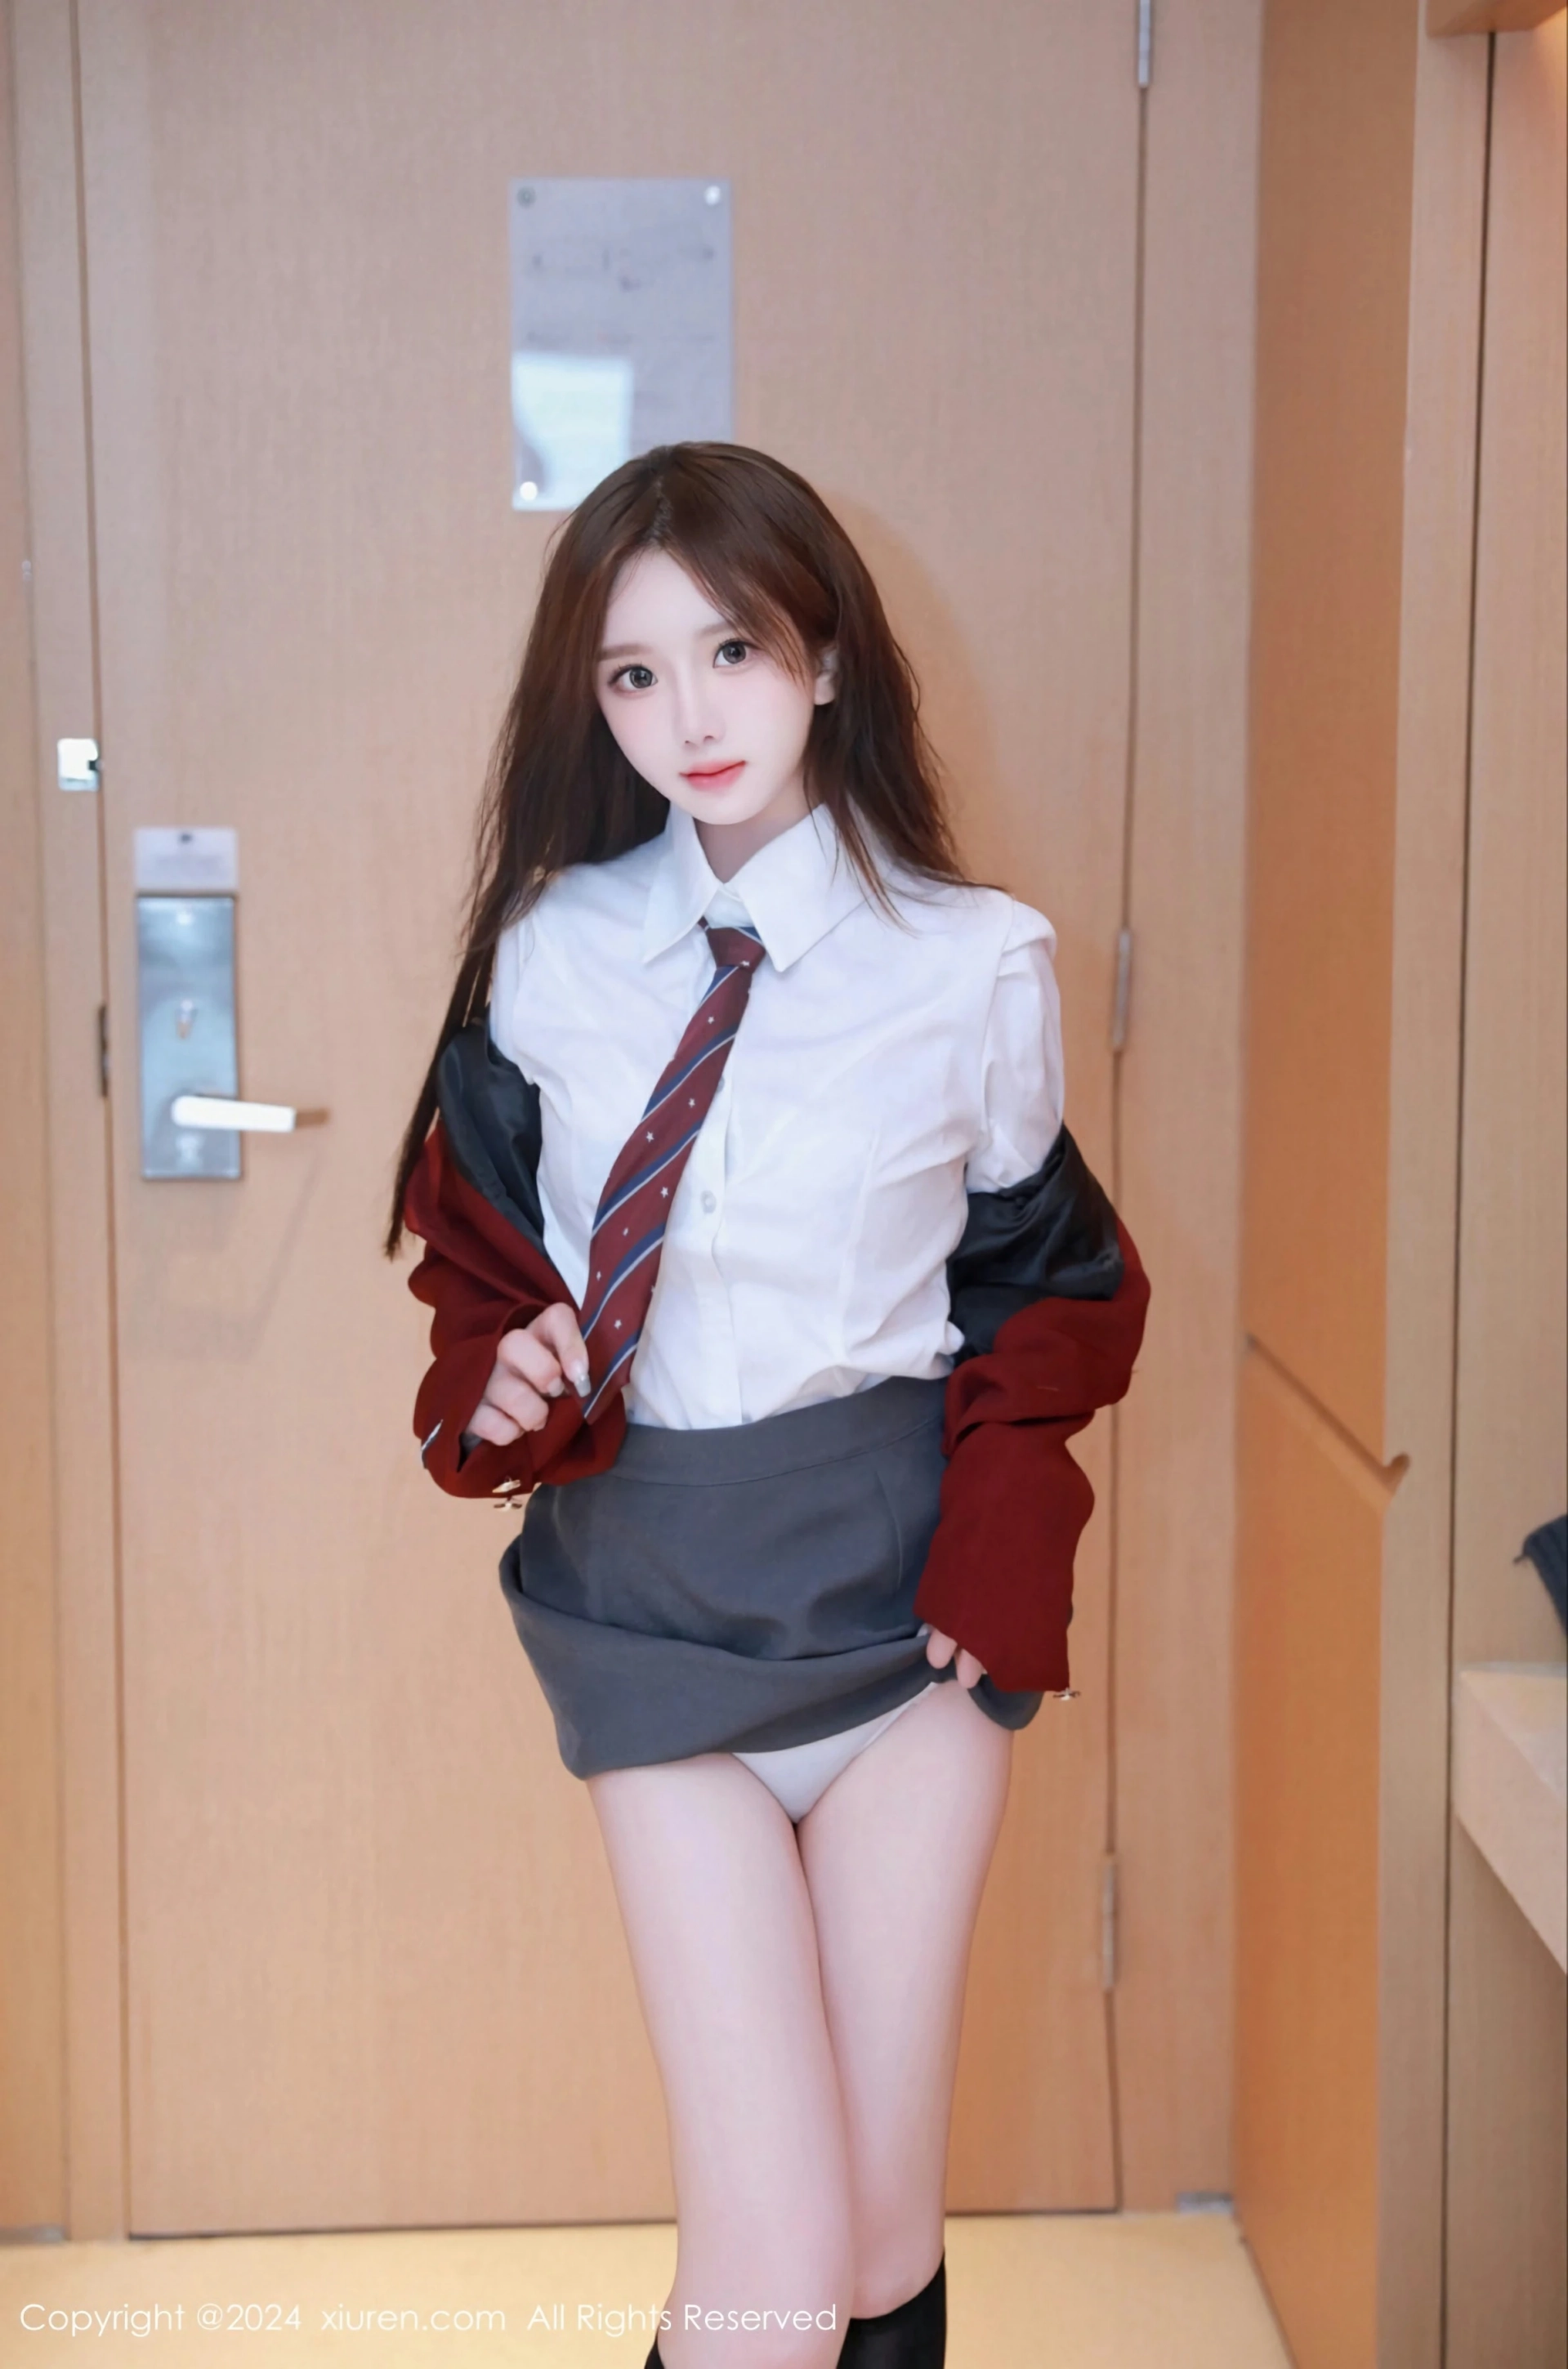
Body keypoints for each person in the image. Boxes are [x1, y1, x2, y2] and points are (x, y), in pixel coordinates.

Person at [386, 443, 1149, 2369]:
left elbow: (1047, 1285)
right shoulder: (548, 954)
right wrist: (506, 1373)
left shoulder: (973, 964)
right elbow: (481, 1271)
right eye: (633, 674)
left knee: (876, 2240)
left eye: (730, 651)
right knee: (773, 2258)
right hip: (651, 1617)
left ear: (824, 658)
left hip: (904, 1627)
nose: (689, 716)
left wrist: (1005, 1540)